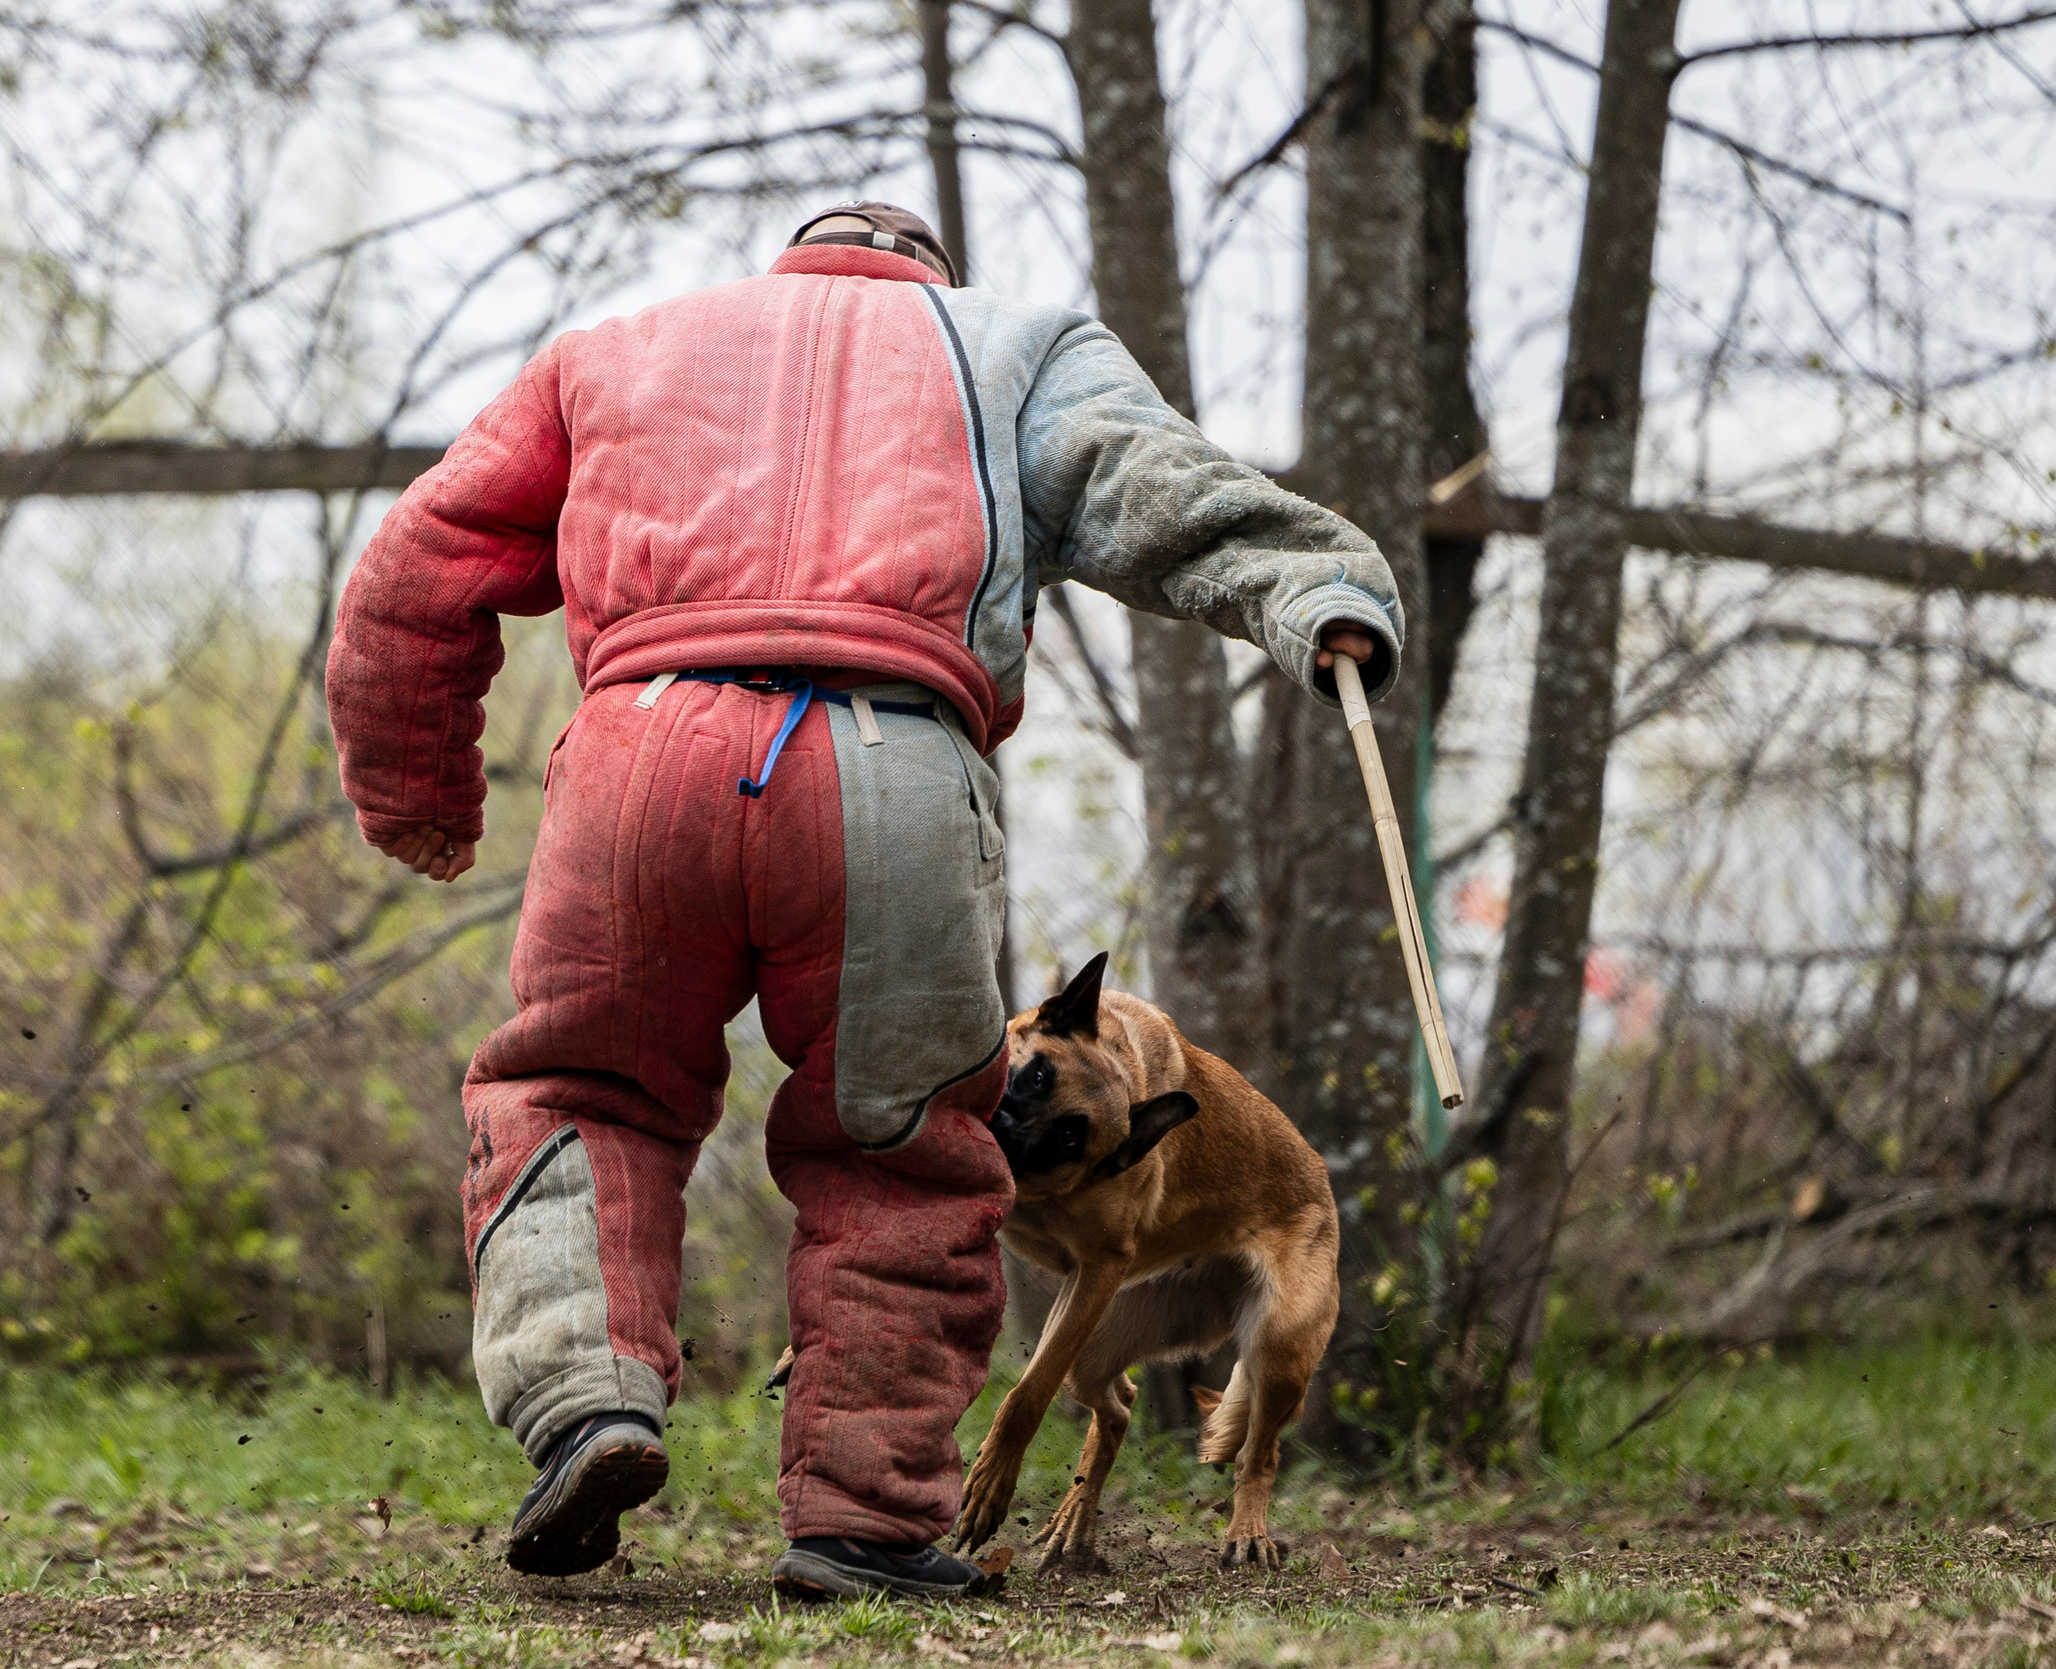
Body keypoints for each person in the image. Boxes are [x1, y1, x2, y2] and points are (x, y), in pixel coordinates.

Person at [325, 201, 1400, 1601]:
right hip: (893, 770)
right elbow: (1158, 485)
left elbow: (420, 561)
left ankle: (588, 1399)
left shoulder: (617, 349)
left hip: (643, 755)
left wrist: (418, 791)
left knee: (583, 1090)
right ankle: (861, 1521)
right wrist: (1317, 590)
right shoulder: (1016, 346)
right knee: (903, 1148)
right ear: (932, 276)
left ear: (797, 257)